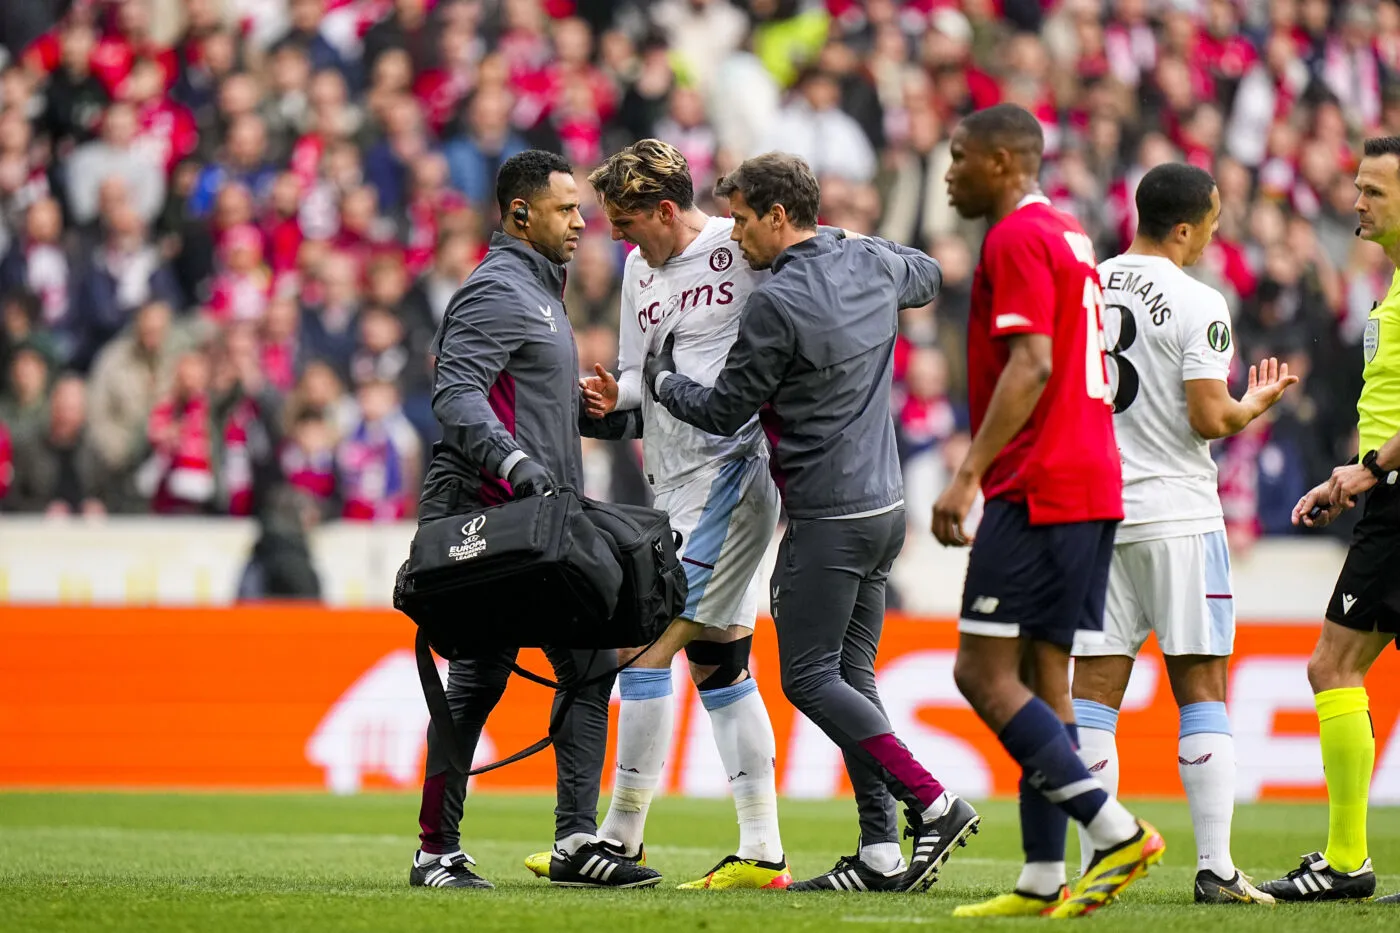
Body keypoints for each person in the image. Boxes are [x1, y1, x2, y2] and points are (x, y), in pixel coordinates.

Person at [649, 152, 981, 894]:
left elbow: (722, 408)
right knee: (851, 676)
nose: (734, 236)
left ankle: (931, 799)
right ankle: (879, 852)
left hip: (826, 515)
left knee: (806, 677)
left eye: (740, 219)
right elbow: (928, 272)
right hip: (884, 509)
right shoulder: (869, 260)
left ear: (776, 215)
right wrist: (867, 248)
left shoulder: (777, 301)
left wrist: (661, 379)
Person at [533, 138, 790, 890]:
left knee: (644, 640)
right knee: (719, 663)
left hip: (734, 475)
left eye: (625, 219)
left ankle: (617, 836)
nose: (613, 234)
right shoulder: (639, 269)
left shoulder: (738, 249)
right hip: (672, 481)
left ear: (668, 209)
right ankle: (762, 847)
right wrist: (616, 396)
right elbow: (638, 372)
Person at [933, 103, 1164, 919]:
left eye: (960, 157)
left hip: (1040, 485)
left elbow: (1030, 363)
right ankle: (1041, 876)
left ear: (1002, 162)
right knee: (1043, 680)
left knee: (980, 672)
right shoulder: (1068, 230)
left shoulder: (1015, 237)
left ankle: (1113, 828)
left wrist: (967, 475)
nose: (951, 171)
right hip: (1090, 480)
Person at [408, 149, 660, 891]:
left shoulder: (540, 296)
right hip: (491, 516)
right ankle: (436, 852)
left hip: (541, 520)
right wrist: (516, 464)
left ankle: (576, 840)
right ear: (521, 213)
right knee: (481, 679)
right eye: (567, 208)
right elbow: (456, 397)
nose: (583, 221)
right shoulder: (497, 291)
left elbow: (521, 406)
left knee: (586, 660)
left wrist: (591, 415)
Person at [1068, 162, 1297, 906]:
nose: (1213, 239)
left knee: (1093, 698)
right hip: (1178, 513)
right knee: (1201, 686)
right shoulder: (1199, 299)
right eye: (1214, 225)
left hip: (1100, 513)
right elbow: (1209, 417)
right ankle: (1217, 868)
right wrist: (1253, 403)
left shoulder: (1088, 285)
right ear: (1187, 227)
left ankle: (1098, 858)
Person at [1257, 137, 1400, 906]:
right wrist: (1353, 478)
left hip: (1397, 495)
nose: (1358, 202)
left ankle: (1347, 860)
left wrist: (1372, 469)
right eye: (1357, 188)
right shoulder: (1391, 287)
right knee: (1336, 667)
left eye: (1374, 190)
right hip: (1383, 490)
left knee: (1332, 666)